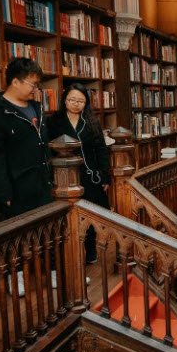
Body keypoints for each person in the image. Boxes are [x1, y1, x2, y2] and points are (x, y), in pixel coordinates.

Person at [47, 84, 111, 264]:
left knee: (91, 214)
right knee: (68, 216)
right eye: (72, 100)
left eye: (80, 101)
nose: (76, 104)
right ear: (65, 100)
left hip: (91, 176)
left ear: (86, 103)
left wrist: (104, 176)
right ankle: (71, 254)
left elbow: (101, 150)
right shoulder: (53, 121)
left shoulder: (91, 121)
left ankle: (90, 250)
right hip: (64, 177)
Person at [0, 57, 52, 218]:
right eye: (32, 84)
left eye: (37, 85)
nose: (36, 89)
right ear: (15, 82)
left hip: (43, 184)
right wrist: (3, 192)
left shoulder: (37, 107)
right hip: (17, 189)